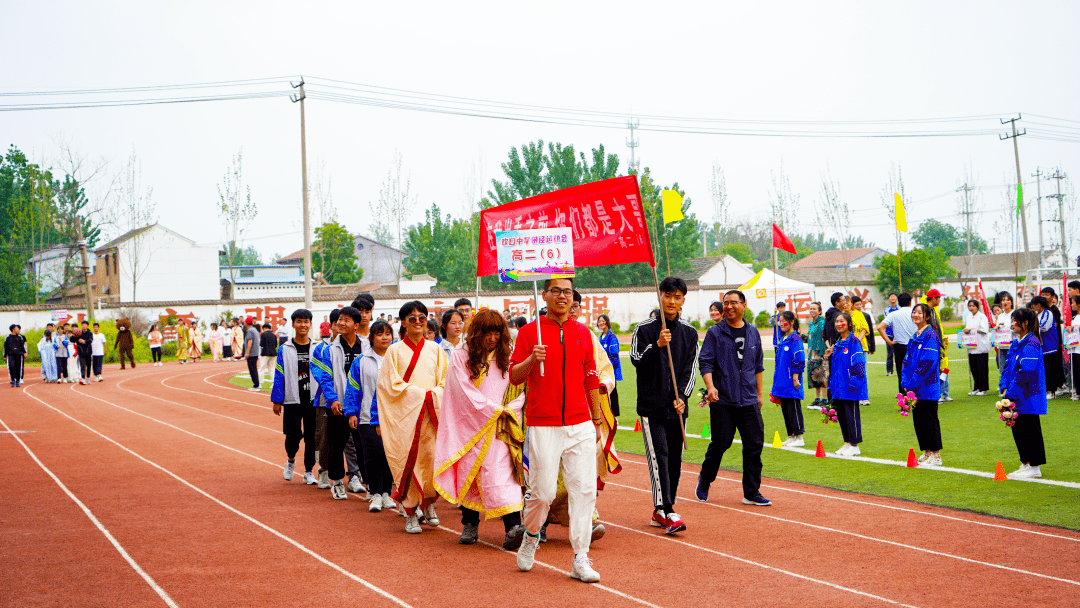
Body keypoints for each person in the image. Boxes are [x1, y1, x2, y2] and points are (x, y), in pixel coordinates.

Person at [511, 277, 603, 584]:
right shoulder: (529, 332)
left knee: (584, 490)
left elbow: (591, 377)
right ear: (546, 295)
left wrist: (597, 419)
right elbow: (513, 376)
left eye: (567, 292)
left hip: (580, 423)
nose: (562, 296)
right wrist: (530, 359)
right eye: (556, 291)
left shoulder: (582, 333)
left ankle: (580, 557)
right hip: (543, 423)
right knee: (544, 492)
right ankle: (532, 534)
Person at [433, 310, 527, 549]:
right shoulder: (461, 354)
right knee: (469, 474)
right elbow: (462, 391)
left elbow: (520, 387)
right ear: (478, 332)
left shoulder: (509, 353)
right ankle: (470, 525)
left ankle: (513, 527)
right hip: (470, 427)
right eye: (488, 332)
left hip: (502, 426)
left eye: (497, 332)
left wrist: (509, 409)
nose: (493, 338)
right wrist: (492, 409)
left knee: (504, 475)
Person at [631, 277, 698, 535]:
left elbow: (691, 369)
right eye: (667, 295)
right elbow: (637, 360)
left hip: (677, 407)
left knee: (675, 460)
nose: (672, 301)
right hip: (651, 406)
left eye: (677, 296)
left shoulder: (690, 333)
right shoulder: (645, 329)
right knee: (659, 457)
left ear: (683, 300)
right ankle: (666, 510)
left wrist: (683, 396)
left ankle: (664, 508)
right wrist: (657, 345)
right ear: (660, 296)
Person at [377, 301, 449, 534]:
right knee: (408, 460)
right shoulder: (394, 351)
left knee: (431, 460)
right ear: (403, 322)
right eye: (412, 318)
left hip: (432, 416)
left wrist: (433, 395)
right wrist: (421, 395)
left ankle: (428, 504)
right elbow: (389, 385)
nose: (418, 322)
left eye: (422, 317)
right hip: (406, 418)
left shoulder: (435, 349)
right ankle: (410, 511)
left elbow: (445, 382)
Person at [696, 290, 770, 507]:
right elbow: (706, 362)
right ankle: (705, 479)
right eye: (725, 303)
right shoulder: (715, 333)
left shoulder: (753, 333)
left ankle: (751, 492)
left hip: (748, 400)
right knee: (720, 443)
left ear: (744, 305)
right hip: (723, 399)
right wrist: (710, 387)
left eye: (733, 303)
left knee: (754, 444)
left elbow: (758, 366)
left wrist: (759, 394)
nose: (728, 307)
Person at [312, 306, 371, 501]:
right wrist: (333, 399)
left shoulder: (367, 346)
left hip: (362, 406)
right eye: (339, 320)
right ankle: (337, 482)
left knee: (364, 446)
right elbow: (325, 378)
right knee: (336, 445)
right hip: (338, 406)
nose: (341, 323)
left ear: (356, 324)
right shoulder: (330, 350)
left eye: (346, 320)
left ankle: (369, 483)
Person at [344, 320, 396, 512]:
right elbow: (353, 388)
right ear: (371, 338)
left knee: (389, 456)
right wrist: (351, 412)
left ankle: (386, 493)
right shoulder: (361, 361)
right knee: (373, 455)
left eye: (388, 333)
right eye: (380, 334)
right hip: (366, 417)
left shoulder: (396, 358)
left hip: (392, 418)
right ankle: (375, 493)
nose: (384, 337)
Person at [1000, 307, 1047, 479]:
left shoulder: (1032, 343)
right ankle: (1025, 462)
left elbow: (1026, 372)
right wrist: (1004, 387)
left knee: (1030, 429)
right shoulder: (1017, 343)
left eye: (1015, 320)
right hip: (1015, 395)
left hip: (1028, 396)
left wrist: (1011, 393)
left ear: (1025, 323)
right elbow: (1006, 367)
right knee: (1018, 429)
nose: (1012, 324)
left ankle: (1035, 467)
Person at [270, 309, 317, 483]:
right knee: (293, 435)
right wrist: (277, 400)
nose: (303, 325)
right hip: (292, 399)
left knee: (312, 437)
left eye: (306, 321)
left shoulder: (318, 348)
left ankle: (308, 471)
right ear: (293, 324)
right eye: (299, 321)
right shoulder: (285, 349)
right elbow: (279, 374)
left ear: (310, 324)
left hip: (313, 400)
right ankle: (290, 459)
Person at [902, 303, 944, 466]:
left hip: (927, 387)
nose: (915, 315)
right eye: (914, 312)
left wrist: (913, 383)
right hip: (914, 388)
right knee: (919, 420)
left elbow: (927, 363)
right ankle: (927, 451)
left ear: (927, 316)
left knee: (929, 419)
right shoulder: (914, 336)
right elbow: (906, 361)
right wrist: (905, 382)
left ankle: (936, 454)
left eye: (920, 313)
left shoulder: (931, 336)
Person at [829, 311, 868, 456]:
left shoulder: (854, 342)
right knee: (842, 416)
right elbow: (835, 367)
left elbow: (859, 365)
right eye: (837, 322)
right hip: (839, 387)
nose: (839, 324)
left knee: (851, 415)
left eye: (842, 321)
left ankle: (855, 444)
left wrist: (854, 383)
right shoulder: (838, 343)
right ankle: (847, 442)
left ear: (849, 324)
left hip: (850, 387)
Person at [773, 311, 806, 447]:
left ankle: (799, 437)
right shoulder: (783, 339)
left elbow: (798, 358)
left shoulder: (795, 339)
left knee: (793, 407)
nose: (781, 323)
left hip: (791, 380)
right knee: (786, 408)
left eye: (784, 321)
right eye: (780, 321)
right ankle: (791, 435)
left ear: (792, 322)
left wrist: (795, 377)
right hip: (782, 380)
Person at [877, 293, 916, 394]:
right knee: (916, 371)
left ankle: (904, 400)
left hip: (900, 346)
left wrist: (889, 341)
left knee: (901, 372)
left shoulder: (894, 314)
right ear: (910, 302)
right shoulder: (915, 313)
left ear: (899, 302)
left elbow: (880, 327)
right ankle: (916, 397)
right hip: (914, 345)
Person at [1029, 296, 1065, 400]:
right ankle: (1043, 390)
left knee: (1049, 369)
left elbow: (1044, 327)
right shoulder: (1036, 314)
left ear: (1039, 305)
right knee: (1041, 369)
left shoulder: (1048, 314)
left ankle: (1051, 391)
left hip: (1049, 346)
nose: (1033, 306)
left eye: (1034, 304)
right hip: (1039, 346)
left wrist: (1032, 328)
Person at [963, 300, 992, 396]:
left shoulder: (982, 317)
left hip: (981, 345)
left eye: (973, 306)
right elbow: (968, 328)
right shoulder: (969, 317)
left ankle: (983, 388)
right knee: (974, 368)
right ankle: (976, 387)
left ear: (977, 306)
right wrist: (966, 331)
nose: (971, 308)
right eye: (969, 306)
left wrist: (972, 329)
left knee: (982, 368)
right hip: (971, 345)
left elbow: (984, 330)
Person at [596, 314, 621, 417]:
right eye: (599, 321)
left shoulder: (612, 337)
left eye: (603, 321)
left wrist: (606, 366)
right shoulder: (600, 337)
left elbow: (614, 356)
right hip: (601, 370)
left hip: (610, 370)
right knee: (603, 392)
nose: (601, 323)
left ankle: (614, 415)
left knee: (612, 392)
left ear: (607, 322)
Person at [806, 302, 828, 408]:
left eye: (814, 309)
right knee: (814, 376)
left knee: (822, 376)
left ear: (819, 311)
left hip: (820, 353)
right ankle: (817, 399)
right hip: (811, 354)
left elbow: (824, 337)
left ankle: (824, 400)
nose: (812, 310)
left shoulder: (822, 322)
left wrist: (823, 352)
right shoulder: (811, 323)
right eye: (810, 309)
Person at [993, 291, 1016, 372]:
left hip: (1012, 344)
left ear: (1011, 302)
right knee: (1003, 369)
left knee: (1013, 368)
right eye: (1003, 300)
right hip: (1002, 345)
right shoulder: (1000, 316)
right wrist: (997, 328)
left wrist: (1006, 326)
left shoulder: (1015, 313)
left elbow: (1016, 328)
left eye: (1007, 300)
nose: (1005, 302)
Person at [883, 293, 900, 376]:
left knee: (899, 353)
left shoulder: (900, 309)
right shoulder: (886, 310)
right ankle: (889, 371)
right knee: (890, 353)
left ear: (896, 298)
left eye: (894, 296)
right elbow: (889, 319)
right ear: (889, 299)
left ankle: (898, 370)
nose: (893, 298)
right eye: (891, 297)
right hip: (889, 334)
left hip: (898, 334)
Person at [243, 317, 261, 391]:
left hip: (252, 353)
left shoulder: (250, 330)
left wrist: (247, 352)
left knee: (252, 369)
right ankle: (257, 384)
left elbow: (250, 341)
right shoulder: (254, 330)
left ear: (246, 323)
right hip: (255, 353)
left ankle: (256, 385)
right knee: (254, 369)